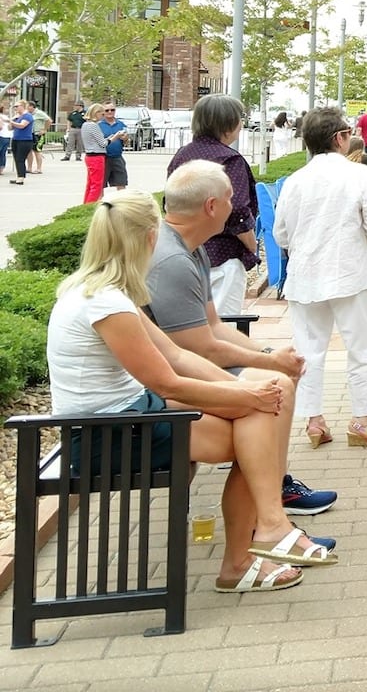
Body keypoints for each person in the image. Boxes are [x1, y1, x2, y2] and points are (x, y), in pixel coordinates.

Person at [47, 191, 337, 593]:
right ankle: (251, 549)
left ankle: (264, 534)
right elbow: (167, 381)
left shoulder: (102, 292)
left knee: (261, 410)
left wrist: (243, 388)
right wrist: (247, 398)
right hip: (106, 435)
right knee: (254, 431)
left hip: (127, 416)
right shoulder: (106, 304)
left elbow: (179, 359)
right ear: (150, 238)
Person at [146, 160, 338, 519]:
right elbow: (198, 347)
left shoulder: (191, 246)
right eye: (231, 197)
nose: (237, 204)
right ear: (212, 207)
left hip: (183, 369)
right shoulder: (171, 260)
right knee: (273, 391)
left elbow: (214, 327)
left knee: (278, 378)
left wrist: (270, 353)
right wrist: (269, 362)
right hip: (165, 385)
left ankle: (271, 497)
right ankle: (270, 505)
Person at [272, 108, 367, 449]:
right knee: (363, 348)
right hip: (350, 271)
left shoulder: (296, 180)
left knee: (308, 351)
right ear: (340, 138)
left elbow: (281, 233)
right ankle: (363, 420)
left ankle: (314, 420)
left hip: (306, 274)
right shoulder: (359, 176)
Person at [166, 95, 261, 318]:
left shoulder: (182, 155)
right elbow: (237, 210)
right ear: (227, 124)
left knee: (191, 326)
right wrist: (251, 244)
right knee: (223, 326)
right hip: (223, 256)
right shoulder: (230, 159)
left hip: (186, 252)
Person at [81, 101, 106, 202]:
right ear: (96, 113)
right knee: (97, 184)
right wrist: (114, 138)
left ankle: (86, 204)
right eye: (102, 114)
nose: (103, 116)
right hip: (97, 156)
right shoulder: (93, 125)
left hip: (89, 155)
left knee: (90, 183)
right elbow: (103, 143)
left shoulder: (85, 125)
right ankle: (90, 204)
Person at [101, 105, 130, 191]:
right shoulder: (99, 125)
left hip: (117, 157)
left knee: (121, 183)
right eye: (107, 110)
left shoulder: (121, 124)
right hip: (104, 157)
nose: (110, 112)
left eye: (112, 110)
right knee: (101, 184)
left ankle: (121, 202)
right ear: (103, 112)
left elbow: (127, 142)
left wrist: (126, 139)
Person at [9, 99, 36, 185]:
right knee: (16, 158)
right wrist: (12, 120)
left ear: (23, 106)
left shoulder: (27, 116)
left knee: (20, 158)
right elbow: (10, 128)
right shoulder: (18, 117)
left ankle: (21, 178)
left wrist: (11, 122)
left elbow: (22, 125)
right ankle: (19, 176)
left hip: (25, 140)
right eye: (14, 107)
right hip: (16, 139)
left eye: (17, 106)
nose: (15, 108)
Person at [27, 103, 49, 172]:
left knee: (37, 151)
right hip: (30, 133)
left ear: (32, 107)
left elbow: (49, 120)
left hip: (38, 133)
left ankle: (39, 168)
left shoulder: (39, 113)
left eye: (28, 106)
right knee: (29, 151)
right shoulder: (28, 114)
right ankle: (29, 168)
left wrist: (44, 129)